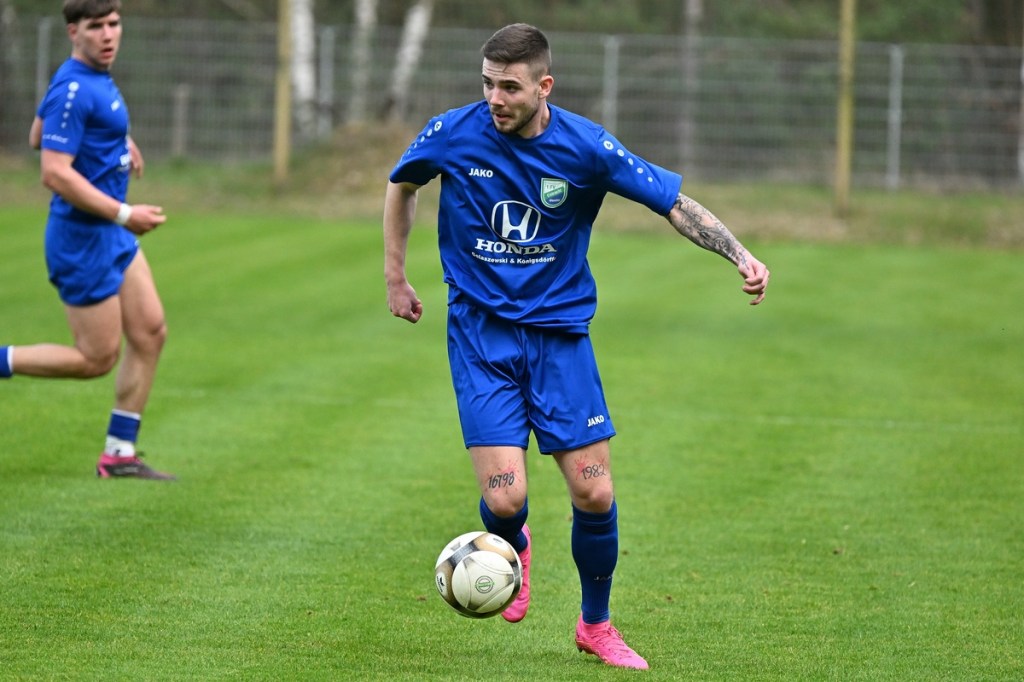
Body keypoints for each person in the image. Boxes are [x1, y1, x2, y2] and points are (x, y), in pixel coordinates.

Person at [383, 23, 769, 670]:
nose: (495, 98)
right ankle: (514, 543)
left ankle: (595, 625)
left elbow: (671, 203)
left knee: (594, 494)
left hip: (560, 341)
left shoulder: (585, 146)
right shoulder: (452, 132)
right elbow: (403, 183)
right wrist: (396, 275)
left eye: (510, 87)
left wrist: (739, 253)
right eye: (487, 84)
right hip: (481, 337)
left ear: (545, 86)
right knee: (504, 500)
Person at [1, 0, 173, 480]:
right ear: (73, 32)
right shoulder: (74, 87)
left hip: (108, 233)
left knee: (150, 331)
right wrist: (125, 213)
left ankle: (119, 454)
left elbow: (38, 134)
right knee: (96, 359)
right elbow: (53, 172)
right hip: (82, 238)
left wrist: (118, 144)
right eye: (96, 26)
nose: (108, 34)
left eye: (114, 23)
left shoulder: (92, 77)